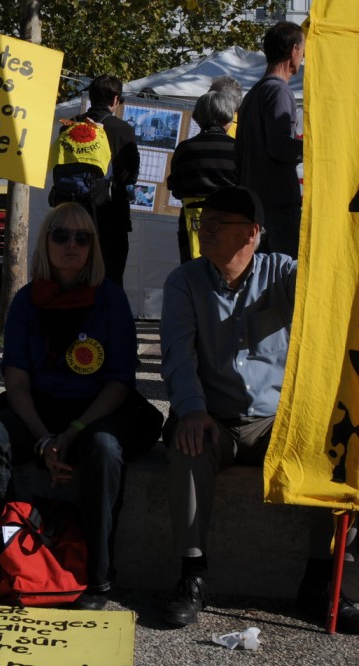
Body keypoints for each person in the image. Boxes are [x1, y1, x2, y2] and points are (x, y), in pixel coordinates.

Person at [159, 185, 357, 632]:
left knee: (338, 453)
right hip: (216, 419)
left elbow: (329, 292)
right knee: (187, 446)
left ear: (251, 233)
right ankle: (192, 575)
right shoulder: (184, 281)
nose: (204, 230)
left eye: (216, 223)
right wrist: (191, 409)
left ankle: (322, 581)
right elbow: (178, 356)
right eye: (202, 222)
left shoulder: (284, 273)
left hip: (276, 423)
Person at [0, 202, 162, 609]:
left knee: (104, 448)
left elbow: (120, 382)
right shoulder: (26, 301)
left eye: (82, 238)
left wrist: (72, 433)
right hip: (39, 411)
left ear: (92, 247)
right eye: (62, 235)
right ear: (46, 241)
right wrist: (44, 440)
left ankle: (98, 577)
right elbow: (16, 382)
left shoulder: (111, 299)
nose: (72, 244)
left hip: (98, 411)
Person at [235, 21, 304, 259]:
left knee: (260, 273)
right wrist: (317, 147)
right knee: (286, 272)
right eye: (303, 50)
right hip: (278, 203)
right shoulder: (278, 91)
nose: (303, 57)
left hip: (255, 202)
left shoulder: (253, 94)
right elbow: (279, 147)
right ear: (294, 50)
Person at [77, 75, 140, 286]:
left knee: (78, 277)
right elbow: (129, 174)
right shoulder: (123, 129)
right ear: (115, 99)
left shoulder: (71, 125)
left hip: (74, 212)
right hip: (111, 214)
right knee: (111, 278)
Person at [167, 90, 238, 263]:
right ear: (227, 117)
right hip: (231, 223)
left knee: (193, 274)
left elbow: (175, 189)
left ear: (198, 116)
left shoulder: (185, 149)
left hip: (191, 223)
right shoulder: (238, 149)